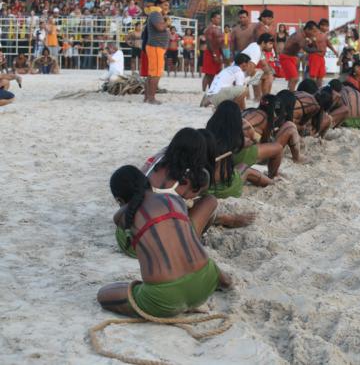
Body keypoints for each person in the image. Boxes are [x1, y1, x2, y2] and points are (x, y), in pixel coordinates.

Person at [98, 165, 231, 318]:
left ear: (119, 200)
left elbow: (126, 216)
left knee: (104, 295)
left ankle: (178, 299)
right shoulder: (174, 199)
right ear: (147, 182)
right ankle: (224, 281)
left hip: (165, 298)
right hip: (206, 282)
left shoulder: (121, 216)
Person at [206, 102, 276, 197]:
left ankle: (271, 182)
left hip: (204, 187)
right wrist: (251, 131)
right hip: (222, 189)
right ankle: (272, 183)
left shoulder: (207, 135)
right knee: (245, 168)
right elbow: (253, 141)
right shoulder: (235, 139)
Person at [241, 94, 306, 163]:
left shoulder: (249, 111)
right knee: (290, 126)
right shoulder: (265, 118)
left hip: (234, 151)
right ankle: (297, 158)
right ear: (274, 113)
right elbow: (265, 142)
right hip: (244, 155)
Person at [280, 21, 320, 91]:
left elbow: (308, 46)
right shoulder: (300, 36)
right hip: (286, 57)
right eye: (314, 31)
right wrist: (317, 47)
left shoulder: (303, 34)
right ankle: (291, 95)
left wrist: (312, 43)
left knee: (292, 78)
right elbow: (308, 50)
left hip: (293, 57)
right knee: (294, 78)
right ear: (307, 29)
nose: (315, 33)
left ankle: (290, 92)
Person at [144, 0, 170, 105]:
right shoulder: (155, 14)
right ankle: (151, 98)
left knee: (152, 74)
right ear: (158, 5)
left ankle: (147, 97)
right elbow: (160, 28)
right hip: (156, 47)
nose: (167, 7)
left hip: (156, 47)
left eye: (168, 5)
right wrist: (167, 23)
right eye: (165, 5)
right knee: (155, 74)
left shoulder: (157, 15)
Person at [308, 19, 339, 88]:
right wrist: (313, 42)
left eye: (328, 26)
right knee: (313, 75)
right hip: (315, 56)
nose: (327, 28)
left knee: (321, 75)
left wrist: (334, 51)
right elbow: (310, 44)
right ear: (321, 26)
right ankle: (311, 89)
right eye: (326, 26)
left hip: (321, 57)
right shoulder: (315, 33)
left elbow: (328, 43)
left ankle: (318, 90)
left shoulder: (324, 34)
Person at [201, 12, 224, 91]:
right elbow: (209, 42)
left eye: (219, 18)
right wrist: (214, 54)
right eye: (217, 18)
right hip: (210, 52)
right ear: (212, 19)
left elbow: (220, 42)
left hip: (217, 51)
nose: (219, 20)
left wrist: (221, 54)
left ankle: (211, 88)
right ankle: (203, 90)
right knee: (208, 73)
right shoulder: (209, 29)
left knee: (214, 73)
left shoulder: (218, 29)